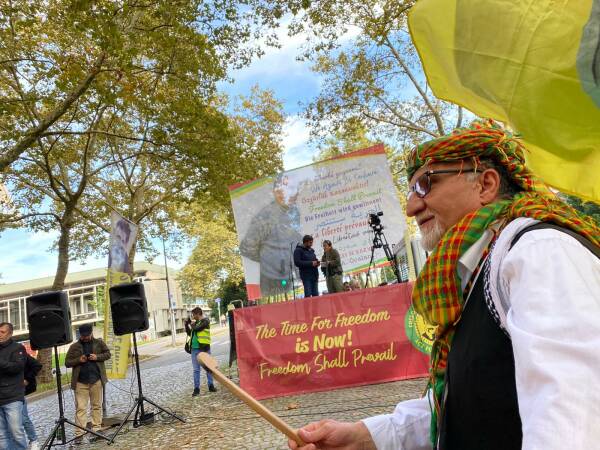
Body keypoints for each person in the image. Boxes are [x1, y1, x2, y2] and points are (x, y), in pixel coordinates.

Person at [289, 121, 600, 450]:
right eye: (411, 192)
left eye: (426, 184)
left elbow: (571, 416)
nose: (411, 207)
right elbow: (467, 398)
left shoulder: (539, 251)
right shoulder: (474, 269)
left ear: (485, 184)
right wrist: (365, 436)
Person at [240, 173, 303, 297]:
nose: (288, 193)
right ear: (275, 192)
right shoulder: (266, 216)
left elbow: (292, 238)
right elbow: (247, 247)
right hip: (272, 282)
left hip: (290, 278)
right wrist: (271, 259)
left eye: (292, 189)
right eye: (281, 189)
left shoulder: (294, 211)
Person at [65, 324, 111, 443]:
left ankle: (97, 428)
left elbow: (108, 354)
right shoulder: (74, 347)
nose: (85, 337)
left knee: (96, 405)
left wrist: (97, 357)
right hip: (80, 382)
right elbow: (67, 362)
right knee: (81, 408)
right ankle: (79, 433)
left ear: (91, 333)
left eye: (87, 335)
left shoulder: (99, 343)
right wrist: (78, 360)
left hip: (96, 379)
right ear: (80, 334)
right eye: (83, 335)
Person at [0, 322, 27, 450]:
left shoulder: (18, 348)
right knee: (2, 436)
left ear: (10, 334)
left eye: (2, 332)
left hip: (13, 397)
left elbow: (17, 367)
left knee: (16, 433)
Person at [185, 307, 216, 396]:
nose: (193, 316)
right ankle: (196, 389)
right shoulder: (195, 323)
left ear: (198, 314)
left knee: (208, 367)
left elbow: (197, 329)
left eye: (193, 315)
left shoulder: (205, 321)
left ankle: (211, 385)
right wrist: (186, 325)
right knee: (196, 370)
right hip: (194, 349)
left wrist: (191, 324)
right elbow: (190, 333)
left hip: (204, 348)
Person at [22, 353, 42, 450]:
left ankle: (33, 440)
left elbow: (37, 365)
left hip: (16, 393)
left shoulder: (17, 351)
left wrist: (27, 379)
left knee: (23, 418)